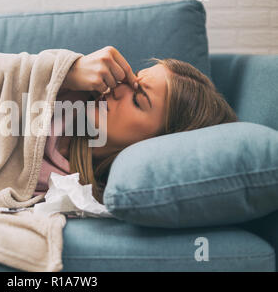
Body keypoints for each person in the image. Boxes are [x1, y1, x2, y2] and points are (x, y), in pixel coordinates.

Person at [36, 46, 238, 204]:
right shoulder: (62, 94)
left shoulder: (79, 191)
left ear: (157, 142)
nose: (117, 88)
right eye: (132, 79)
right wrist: (63, 72)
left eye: (137, 101)